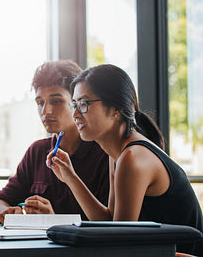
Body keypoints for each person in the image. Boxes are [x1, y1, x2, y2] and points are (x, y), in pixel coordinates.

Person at [48, 64, 203, 256]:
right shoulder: (119, 155)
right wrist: (70, 177)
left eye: (84, 104)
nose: (75, 114)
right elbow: (110, 223)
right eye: (74, 104)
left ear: (116, 109)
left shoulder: (132, 157)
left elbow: (118, 244)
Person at [0, 60, 109, 224]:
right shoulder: (37, 151)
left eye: (56, 101)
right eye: (40, 103)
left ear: (78, 101)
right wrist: (7, 213)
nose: (45, 111)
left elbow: (109, 223)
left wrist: (54, 221)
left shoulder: (103, 153)